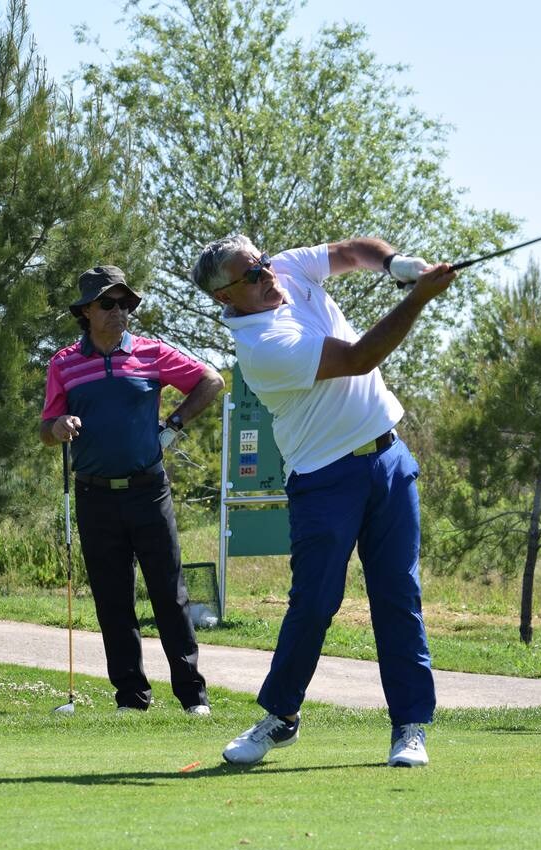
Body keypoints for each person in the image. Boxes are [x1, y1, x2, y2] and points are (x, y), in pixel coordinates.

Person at [191, 235, 455, 767]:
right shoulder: (261, 346)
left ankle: (410, 727)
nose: (267, 275)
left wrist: (396, 266)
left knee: (398, 596)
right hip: (324, 477)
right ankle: (280, 717)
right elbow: (359, 359)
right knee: (313, 604)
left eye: (262, 262)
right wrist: (416, 298)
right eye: (251, 275)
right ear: (225, 298)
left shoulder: (283, 271)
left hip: (389, 458)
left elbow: (354, 251)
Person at [39, 265, 223, 714]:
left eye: (126, 303)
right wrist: (58, 426)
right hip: (94, 494)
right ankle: (131, 698)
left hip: (148, 490)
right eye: (108, 303)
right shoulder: (64, 363)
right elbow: (46, 428)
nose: (120, 311)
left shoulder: (151, 353)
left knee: (169, 593)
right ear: (86, 311)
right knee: (112, 597)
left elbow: (211, 379)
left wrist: (174, 424)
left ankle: (191, 696)